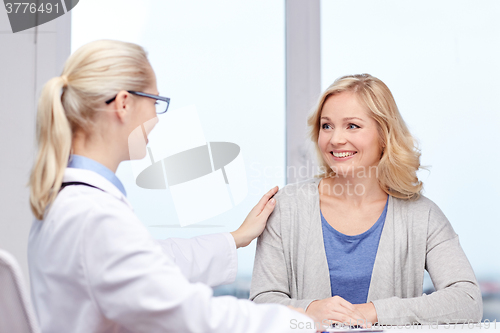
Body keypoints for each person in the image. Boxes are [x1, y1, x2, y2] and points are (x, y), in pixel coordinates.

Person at [27, 40, 315, 333]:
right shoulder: (95, 216)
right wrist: (296, 321)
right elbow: (188, 315)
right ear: (124, 103)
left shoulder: (72, 203)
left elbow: (153, 261)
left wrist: (236, 238)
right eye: (154, 102)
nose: (155, 118)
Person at [249, 74, 483, 327]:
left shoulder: (421, 215)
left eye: (352, 126)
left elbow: (468, 300)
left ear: (384, 135)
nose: (335, 139)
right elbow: (262, 301)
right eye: (326, 126)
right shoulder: (287, 207)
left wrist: (374, 312)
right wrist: (310, 310)